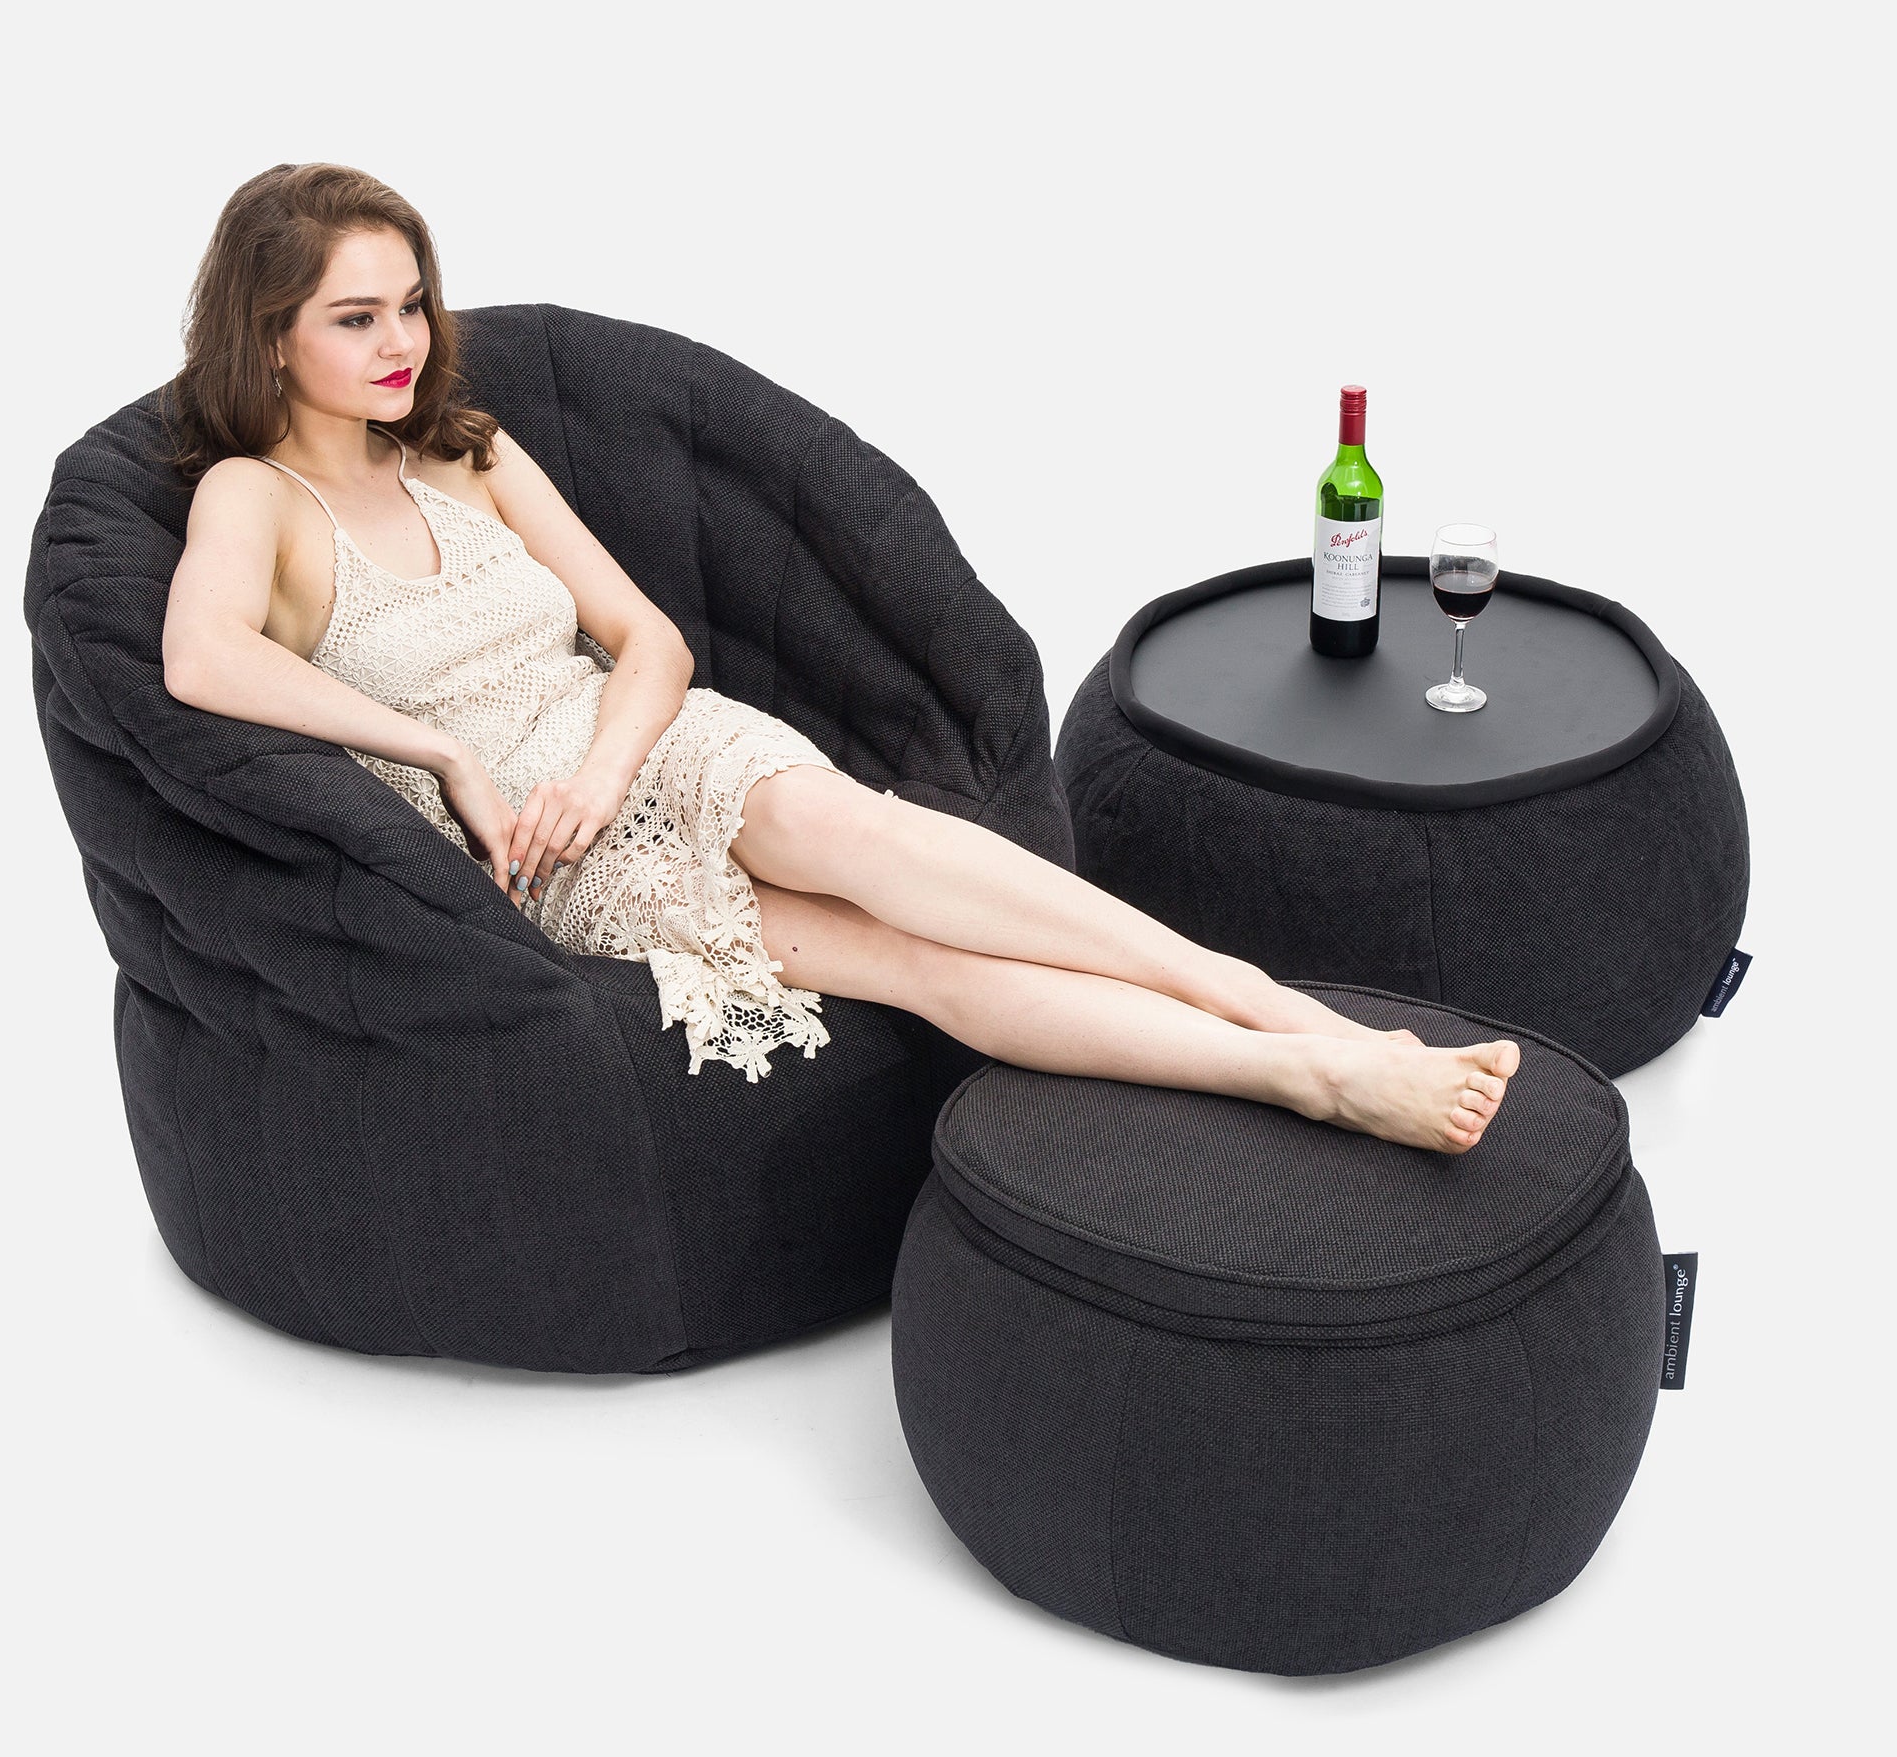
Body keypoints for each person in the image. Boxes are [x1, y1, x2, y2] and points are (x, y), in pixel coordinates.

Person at [159, 163, 1519, 1148]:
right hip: (545, 852)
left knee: (859, 835)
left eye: (410, 304)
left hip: (642, 748)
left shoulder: (468, 449)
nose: (402, 342)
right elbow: (200, 661)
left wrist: (609, 764)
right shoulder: (253, 499)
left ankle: (1279, 1010)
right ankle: (1311, 1081)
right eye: (356, 318)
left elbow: (645, 640)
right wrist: (441, 754)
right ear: (270, 337)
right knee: (911, 966)